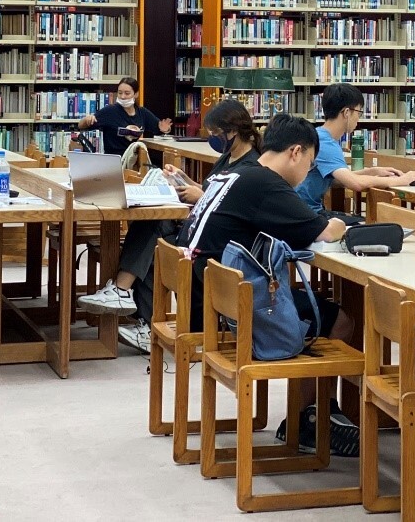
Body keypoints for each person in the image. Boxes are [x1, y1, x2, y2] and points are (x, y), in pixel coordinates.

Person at [185, 112, 357, 454]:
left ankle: (307, 415)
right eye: (309, 163)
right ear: (295, 152)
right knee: (341, 319)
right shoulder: (267, 183)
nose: (308, 173)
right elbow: (322, 231)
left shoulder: (233, 172)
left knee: (308, 300)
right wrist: (340, 222)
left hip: (208, 294)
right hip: (238, 309)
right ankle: (309, 418)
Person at [77, 99, 263, 352]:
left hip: (215, 236)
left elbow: (233, 206)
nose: (213, 139)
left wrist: (202, 198)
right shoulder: (228, 157)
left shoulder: (251, 165)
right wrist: (183, 180)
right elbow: (210, 189)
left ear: (233, 131)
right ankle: (140, 316)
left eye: (216, 134)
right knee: (155, 231)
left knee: (156, 229)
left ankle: (123, 292)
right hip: (199, 225)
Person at [294, 83, 415, 216]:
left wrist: (372, 171)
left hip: (305, 211)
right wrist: (400, 180)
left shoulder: (319, 135)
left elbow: (338, 179)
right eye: (358, 112)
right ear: (346, 113)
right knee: (368, 227)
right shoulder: (326, 143)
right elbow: (355, 184)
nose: (358, 118)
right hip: (307, 215)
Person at [77, 77, 172, 155]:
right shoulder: (110, 111)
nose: (123, 96)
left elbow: (159, 129)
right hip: (114, 159)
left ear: (136, 94)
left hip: (134, 158)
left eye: (127, 93)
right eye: (120, 93)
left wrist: (165, 129)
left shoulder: (142, 112)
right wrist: (87, 119)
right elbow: (81, 126)